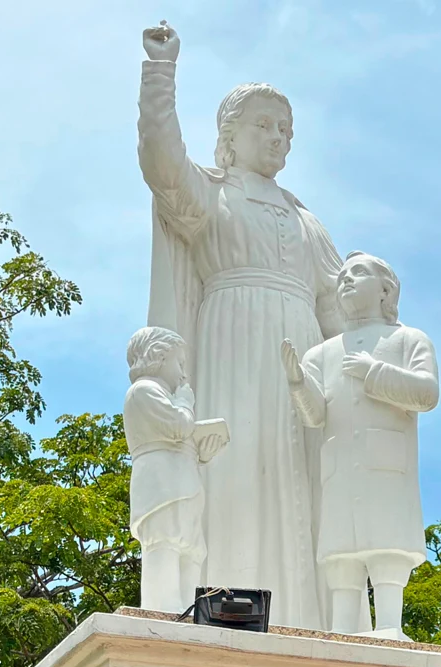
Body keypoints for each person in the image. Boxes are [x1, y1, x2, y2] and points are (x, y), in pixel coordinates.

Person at [139, 21, 343, 629]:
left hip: (300, 360)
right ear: (230, 133)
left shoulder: (306, 219)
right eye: (265, 125)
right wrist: (159, 74)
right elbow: (160, 158)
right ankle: (226, 609)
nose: (279, 137)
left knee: (299, 478)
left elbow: (339, 302)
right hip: (231, 341)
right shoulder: (211, 193)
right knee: (232, 471)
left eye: (286, 129)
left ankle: (306, 618)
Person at [282, 253, 438, 637]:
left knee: (387, 548)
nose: (346, 281)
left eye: (359, 274)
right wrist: (299, 383)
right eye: (343, 276)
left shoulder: (407, 339)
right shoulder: (323, 352)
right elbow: (315, 415)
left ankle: (388, 625)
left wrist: (375, 373)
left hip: (386, 464)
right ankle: (341, 629)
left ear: (386, 289)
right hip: (341, 467)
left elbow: (427, 393)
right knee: (341, 554)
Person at [122, 327, 229, 613]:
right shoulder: (143, 391)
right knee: (164, 545)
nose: (183, 374)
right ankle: (164, 610)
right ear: (157, 357)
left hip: (183, 483)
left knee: (191, 550)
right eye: (178, 363)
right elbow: (179, 426)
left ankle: (187, 611)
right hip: (161, 486)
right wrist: (185, 402)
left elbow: (182, 437)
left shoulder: (160, 395)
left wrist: (202, 449)